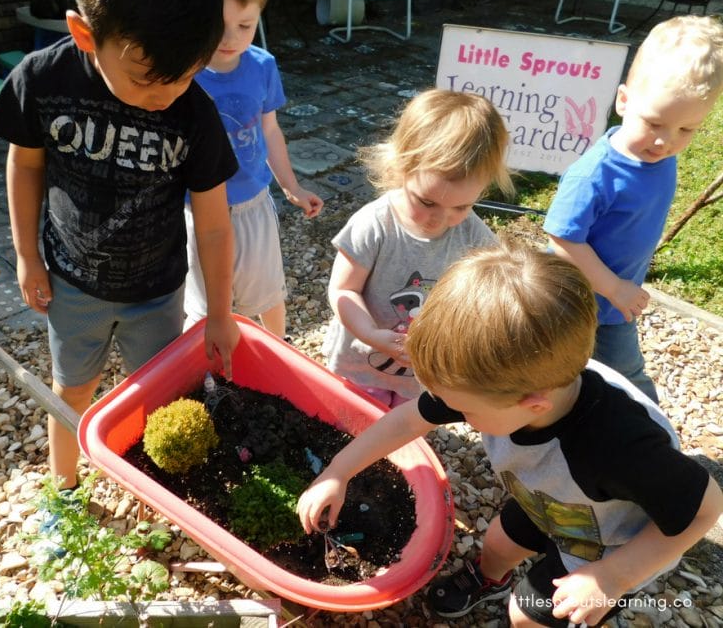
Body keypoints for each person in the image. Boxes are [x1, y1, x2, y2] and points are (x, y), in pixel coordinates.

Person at [298, 241, 723, 627]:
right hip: (551, 501)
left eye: (465, 410)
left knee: (526, 615)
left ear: (532, 405)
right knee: (498, 543)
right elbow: (409, 420)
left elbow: (703, 510)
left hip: (612, 543)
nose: (453, 412)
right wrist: (339, 471)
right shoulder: (497, 380)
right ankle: (488, 579)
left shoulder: (618, 447)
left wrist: (614, 577)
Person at [0, 0, 241, 491]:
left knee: (160, 397)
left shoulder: (195, 113)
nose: (166, 96)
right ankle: (64, 490)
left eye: (187, 76)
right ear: (85, 34)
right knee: (72, 392)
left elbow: (213, 225)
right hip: (72, 286)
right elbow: (26, 164)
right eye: (145, 80)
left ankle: (156, 494)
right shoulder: (42, 79)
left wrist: (219, 313)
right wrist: (26, 255)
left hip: (158, 292)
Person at [543, 15, 723, 403]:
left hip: (608, 303)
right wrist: (615, 288)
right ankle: (649, 432)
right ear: (623, 101)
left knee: (581, 376)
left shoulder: (658, 158)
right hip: (577, 302)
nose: (665, 141)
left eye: (686, 129)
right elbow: (561, 238)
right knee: (620, 379)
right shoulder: (595, 174)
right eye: (655, 123)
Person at [321, 89, 513, 408]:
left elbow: (487, 297)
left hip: (424, 374)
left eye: (461, 206)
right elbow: (343, 289)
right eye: (426, 201)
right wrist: (371, 334)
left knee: (408, 427)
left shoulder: (473, 235)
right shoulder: (375, 224)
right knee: (357, 420)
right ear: (401, 168)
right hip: (363, 363)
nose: (440, 219)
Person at [183, 0, 323, 338]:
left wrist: (291, 186)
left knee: (267, 290)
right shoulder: (182, 70)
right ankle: (204, 358)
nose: (230, 38)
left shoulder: (263, 65)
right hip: (196, 207)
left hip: (252, 204)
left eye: (244, 26)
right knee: (204, 303)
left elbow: (270, 130)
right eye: (218, 24)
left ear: (259, 17)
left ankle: (279, 348)